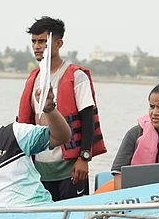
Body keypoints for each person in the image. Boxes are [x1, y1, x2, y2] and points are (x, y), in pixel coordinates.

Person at [16, 16, 107, 201]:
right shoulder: (34, 78)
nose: (37, 46)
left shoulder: (76, 76)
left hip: (70, 168)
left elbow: (88, 119)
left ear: (58, 43)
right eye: (33, 41)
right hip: (40, 170)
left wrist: (84, 158)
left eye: (42, 41)